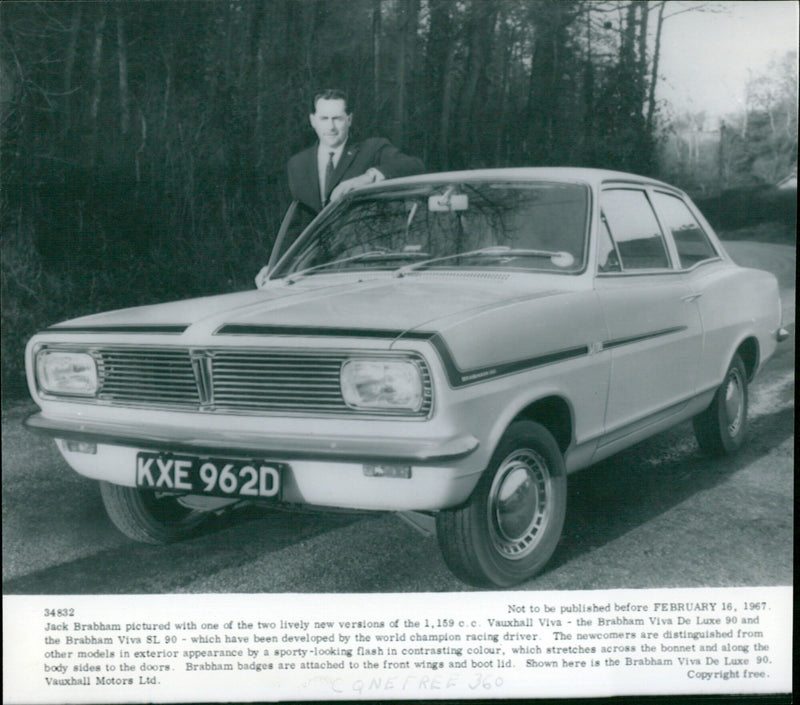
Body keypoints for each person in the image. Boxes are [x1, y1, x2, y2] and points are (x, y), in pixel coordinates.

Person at [287, 89, 425, 213]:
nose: (331, 127)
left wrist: (367, 178)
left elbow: (415, 166)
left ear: (349, 119)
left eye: (337, 119)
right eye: (324, 119)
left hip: (361, 238)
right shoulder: (298, 164)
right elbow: (296, 222)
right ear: (313, 121)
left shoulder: (372, 149)